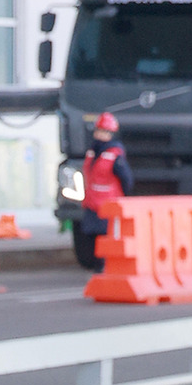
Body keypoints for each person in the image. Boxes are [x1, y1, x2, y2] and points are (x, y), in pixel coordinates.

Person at [75, 110, 133, 268]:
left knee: (107, 237)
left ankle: (106, 267)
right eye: (99, 131)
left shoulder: (115, 155)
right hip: (92, 204)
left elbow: (127, 180)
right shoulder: (92, 153)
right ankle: (98, 266)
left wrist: (120, 197)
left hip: (107, 206)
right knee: (91, 238)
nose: (101, 135)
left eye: (105, 132)